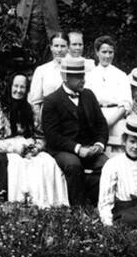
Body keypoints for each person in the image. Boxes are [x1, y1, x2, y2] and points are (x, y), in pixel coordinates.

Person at [0, 73, 68, 208]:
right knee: (18, 164)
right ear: (10, 86)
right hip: (9, 149)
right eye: (16, 86)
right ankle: (19, 203)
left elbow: (40, 136)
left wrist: (36, 148)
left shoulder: (31, 109)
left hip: (30, 146)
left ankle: (46, 203)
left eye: (22, 87)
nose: (18, 90)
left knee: (47, 162)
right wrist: (16, 147)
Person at [41, 56, 109, 206]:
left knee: (106, 166)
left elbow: (101, 124)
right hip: (63, 150)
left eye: (83, 75)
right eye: (78, 77)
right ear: (65, 78)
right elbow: (52, 136)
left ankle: (96, 203)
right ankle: (78, 210)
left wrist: (99, 144)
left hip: (90, 148)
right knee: (74, 165)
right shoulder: (52, 101)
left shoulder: (88, 95)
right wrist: (77, 149)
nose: (83, 80)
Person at [86, 35, 131, 149]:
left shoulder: (121, 75)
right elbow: (86, 102)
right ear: (97, 52)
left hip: (116, 117)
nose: (107, 55)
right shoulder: (89, 76)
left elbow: (126, 104)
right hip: (95, 116)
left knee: (123, 138)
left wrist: (108, 123)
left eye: (110, 52)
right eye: (104, 52)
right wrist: (99, 123)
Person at [27, 33, 69, 129]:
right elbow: (35, 101)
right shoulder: (42, 70)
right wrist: (39, 121)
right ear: (51, 48)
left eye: (63, 46)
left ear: (68, 48)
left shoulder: (74, 69)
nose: (59, 50)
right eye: (56, 46)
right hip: (49, 115)